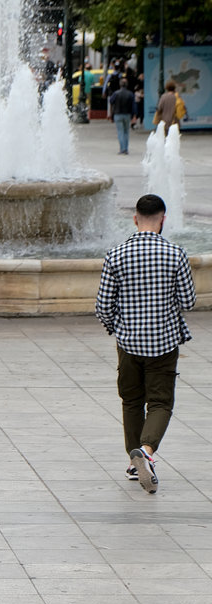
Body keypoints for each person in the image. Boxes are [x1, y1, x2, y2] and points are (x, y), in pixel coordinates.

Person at [95, 194, 196, 494]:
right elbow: (189, 301)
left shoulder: (116, 254)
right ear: (163, 219)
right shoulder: (175, 253)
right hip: (164, 343)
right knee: (161, 402)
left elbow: (103, 305)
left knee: (131, 401)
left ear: (135, 218)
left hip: (128, 343)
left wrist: (119, 328)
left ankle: (133, 460)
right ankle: (147, 451)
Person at [108, 78, 135, 155]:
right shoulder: (130, 94)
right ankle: (126, 148)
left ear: (120, 85)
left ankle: (122, 149)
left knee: (120, 132)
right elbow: (133, 106)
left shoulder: (116, 93)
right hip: (127, 114)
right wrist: (133, 115)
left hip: (118, 114)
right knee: (126, 132)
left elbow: (111, 101)